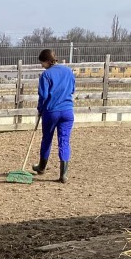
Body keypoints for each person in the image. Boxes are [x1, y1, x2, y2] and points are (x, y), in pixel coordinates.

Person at [32, 48, 76, 183]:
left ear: (46, 61)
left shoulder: (46, 75)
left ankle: (42, 167)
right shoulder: (68, 71)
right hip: (68, 111)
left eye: (42, 63)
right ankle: (63, 174)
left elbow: (43, 95)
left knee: (47, 139)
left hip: (52, 111)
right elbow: (73, 89)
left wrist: (40, 109)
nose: (41, 66)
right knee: (64, 141)